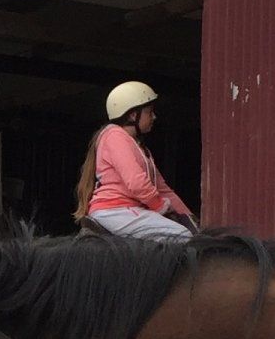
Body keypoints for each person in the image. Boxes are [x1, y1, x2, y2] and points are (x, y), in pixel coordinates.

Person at [76, 82, 195, 240]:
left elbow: (163, 189)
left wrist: (190, 218)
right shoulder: (114, 136)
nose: (154, 117)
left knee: (188, 233)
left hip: (130, 211)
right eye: (149, 112)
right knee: (182, 236)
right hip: (117, 210)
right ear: (133, 115)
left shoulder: (141, 148)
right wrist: (161, 207)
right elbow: (137, 183)